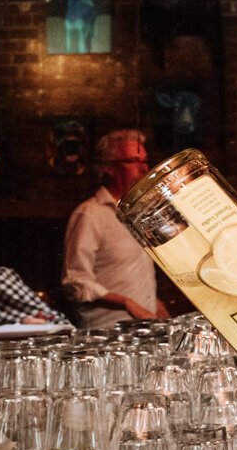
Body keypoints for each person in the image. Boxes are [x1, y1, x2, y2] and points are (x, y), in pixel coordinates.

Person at [62, 129, 167, 327]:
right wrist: (126, 303)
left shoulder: (138, 213)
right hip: (107, 334)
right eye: (134, 161)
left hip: (143, 332)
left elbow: (135, 278)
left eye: (145, 160)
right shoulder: (89, 214)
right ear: (108, 168)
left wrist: (159, 312)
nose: (144, 168)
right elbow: (76, 282)